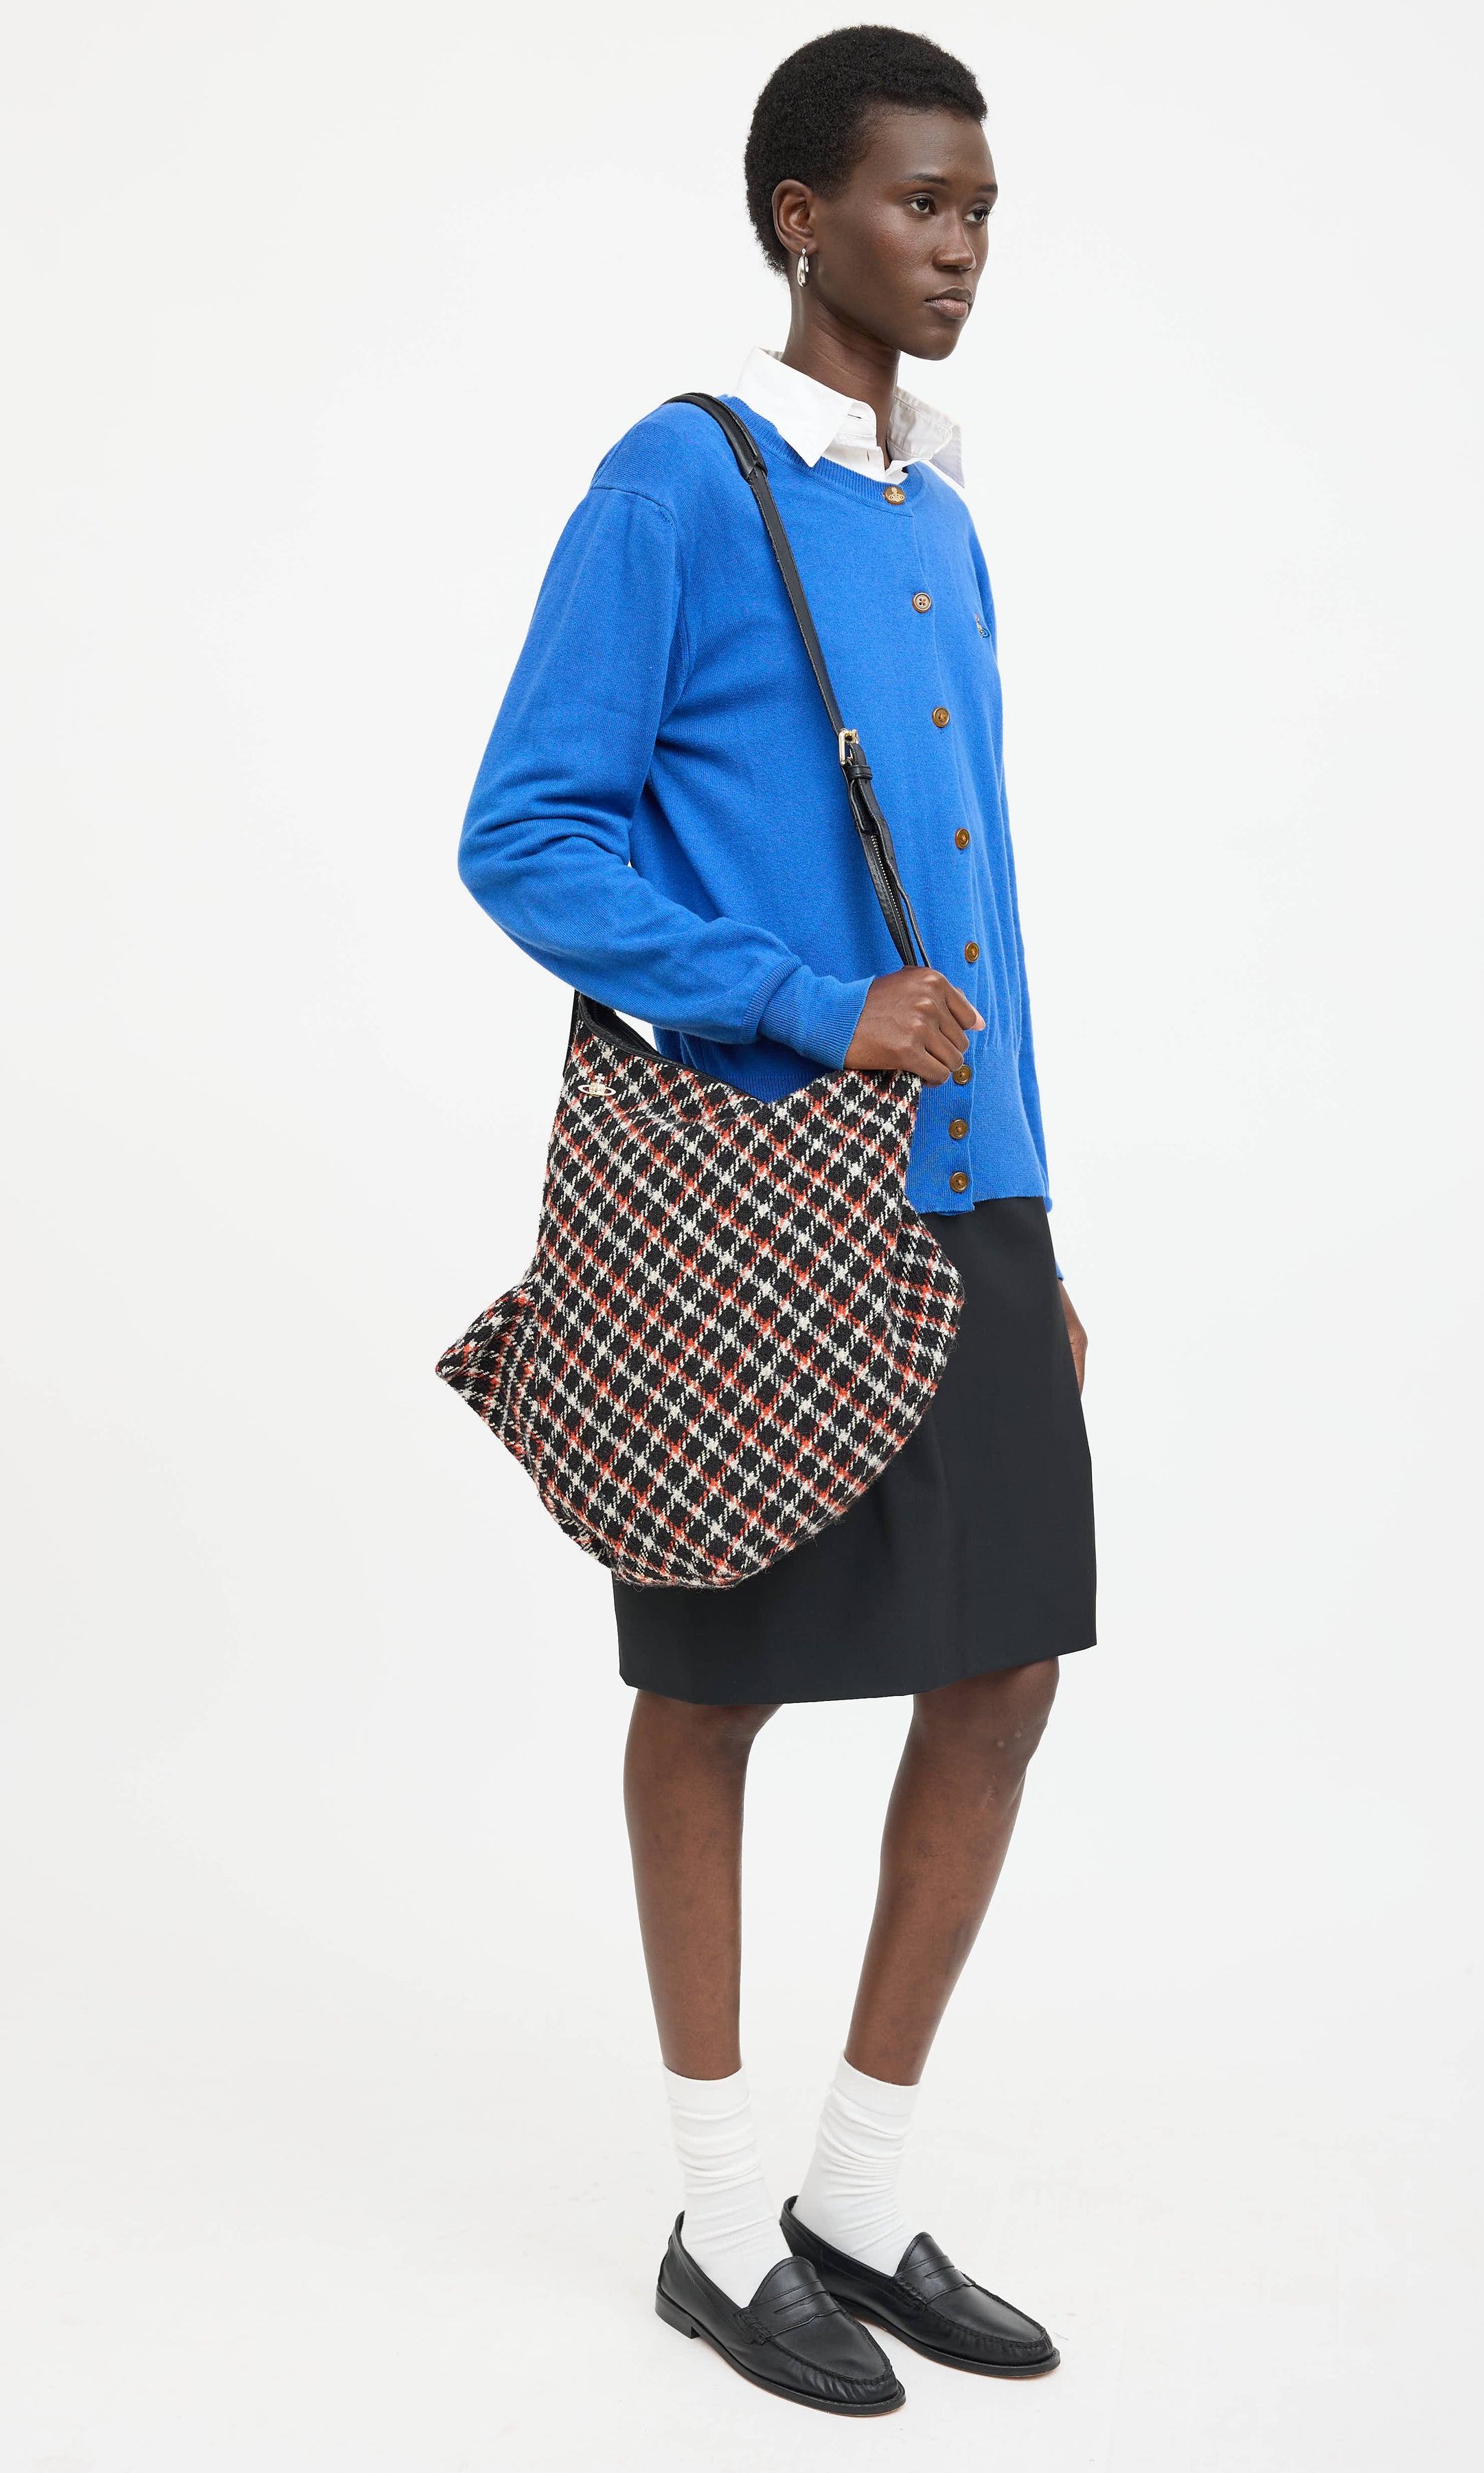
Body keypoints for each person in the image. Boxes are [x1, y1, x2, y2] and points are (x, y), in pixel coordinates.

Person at [457, 24, 1096, 2418]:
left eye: (983, 211)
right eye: (922, 204)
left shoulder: (944, 516)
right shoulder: (681, 480)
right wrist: (809, 1006)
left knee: (1006, 1670)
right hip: (758, 1204)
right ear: (798, 218)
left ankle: (859, 2186)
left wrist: (1035, 1202)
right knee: (712, 1692)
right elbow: (527, 832)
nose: (961, 249)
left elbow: (985, 909)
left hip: (963, 1195)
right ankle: (723, 2226)